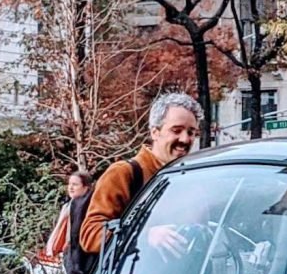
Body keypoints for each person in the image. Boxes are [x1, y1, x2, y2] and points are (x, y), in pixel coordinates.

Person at [79, 92, 203, 260]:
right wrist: (144, 235)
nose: (185, 139)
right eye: (176, 130)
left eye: (191, 132)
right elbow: (90, 235)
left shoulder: (191, 179)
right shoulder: (124, 173)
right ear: (155, 132)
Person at [42, 168, 90, 274]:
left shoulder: (88, 207)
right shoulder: (69, 206)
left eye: (75, 184)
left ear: (86, 187)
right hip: (71, 258)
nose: (70, 187)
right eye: (69, 184)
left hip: (82, 261)